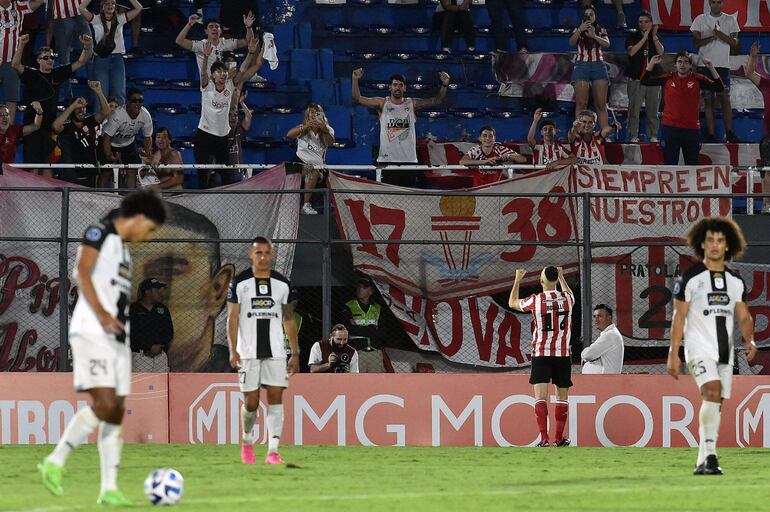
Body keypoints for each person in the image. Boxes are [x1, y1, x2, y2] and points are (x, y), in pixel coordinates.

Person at [37, 189, 165, 506]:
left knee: (115, 412)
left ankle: (109, 488)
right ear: (138, 219)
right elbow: (81, 273)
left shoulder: (122, 251)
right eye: (148, 229)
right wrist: (104, 314)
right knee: (106, 403)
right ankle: (55, 461)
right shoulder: (100, 232)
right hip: (93, 330)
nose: (146, 237)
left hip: (116, 337)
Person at [667, 216, 756, 475]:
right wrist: (674, 352)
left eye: (720, 240)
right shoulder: (691, 278)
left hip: (725, 351)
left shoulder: (735, 282)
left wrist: (750, 340)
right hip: (698, 348)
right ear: (702, 245)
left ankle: (702, 459)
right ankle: (712, 457)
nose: (715, 245)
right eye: (710, 240)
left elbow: (744, 316)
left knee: (716, 402)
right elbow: (678, 317)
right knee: (712, 390)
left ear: (728, 245)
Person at [130, 202, 234, 372]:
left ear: (218, 289)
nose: (135, 284)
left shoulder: (231, 373)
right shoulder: (134, 311)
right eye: (124, 272)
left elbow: (167, 331)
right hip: (139, 357)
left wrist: (159, 345)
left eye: (168, 270)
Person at [227, 236, 299, 465]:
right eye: (259, 253)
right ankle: (247, 441)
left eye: (267, 253)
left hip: (276, 351)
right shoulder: (239, 282)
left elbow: (288, 319)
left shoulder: (282, 284)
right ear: (251, 254)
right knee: (251, 401)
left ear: (272, 255)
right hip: (247, 351)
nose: (263, 257)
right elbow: (232, 317)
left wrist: (295, 353)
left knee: (276, 397)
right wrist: (232, 349)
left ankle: (273, 451)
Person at [509, 266, 575, 447]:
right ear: (557, 280)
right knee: (562, 397)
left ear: (541, 281)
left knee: (540, 397)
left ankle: (544, 438)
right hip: (562, 354)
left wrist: (517, 279)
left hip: (541, 353)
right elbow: (569, 292)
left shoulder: (536, 301)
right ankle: (559, 438)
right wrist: (562, 277)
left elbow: (512, 302)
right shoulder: (568, 299)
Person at [352, 68, 450, 187]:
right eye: (395, 85)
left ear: (404, 88)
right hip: (387, 161)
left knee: (406, 198)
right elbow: (358, 98)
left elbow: (436, 100)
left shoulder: (411, 103)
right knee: (387, 198)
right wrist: (355, 79)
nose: (397, 87)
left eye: (400, 85)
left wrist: (445, 84)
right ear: (390, 87)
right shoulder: (382, 103)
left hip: (408, 160)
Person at [12, 33, 92, 176]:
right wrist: (21, 45)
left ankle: (49, 198)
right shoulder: (32, 74)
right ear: (38, 61)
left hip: (50, 128)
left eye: (52, 57)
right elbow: (15, 65)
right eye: (46, 58)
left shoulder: (57, 73)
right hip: (32, 127)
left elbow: (81, 61)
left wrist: (87, 46)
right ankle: (32, 198)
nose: (50, 60)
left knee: (49, 166)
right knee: (33, 168)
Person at [195, 38, 263, 188]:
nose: (223, 74)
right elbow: (203, 74)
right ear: (213, 75)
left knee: (226, 174)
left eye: (224, 71)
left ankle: (226, 203)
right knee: (202, 173)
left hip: (222, 137)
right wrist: (206, 57)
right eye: (219, 71)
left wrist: (251, 53)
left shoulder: (230, 86)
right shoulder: (206, 86)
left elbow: (244, 69)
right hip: (205, 135)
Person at [641, 52, 724, 165]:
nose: (682, 64)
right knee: (670, 165)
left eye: (686, 62)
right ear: (675, 65)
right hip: (670, 128)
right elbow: (644, 81)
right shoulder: (668, 77)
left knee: (692, 166)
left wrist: (711, 67)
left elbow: (719, 87)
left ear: (690, 65)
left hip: (691, 130)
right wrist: (651, 63)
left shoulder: (697, 79)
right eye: (679, 61)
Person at [691, 0, 740, 143]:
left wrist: (719, 33)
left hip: (723, 66)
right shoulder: (700, 19)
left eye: (718, 2)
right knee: (708, 101)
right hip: (704, 65)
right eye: (713, 2)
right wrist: (712, 36)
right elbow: (696, 42)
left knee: (725, 100)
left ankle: (729, 133)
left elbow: (735, 43)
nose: (716, 5)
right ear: (709, 3)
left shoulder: (730, 19)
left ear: (722, 3)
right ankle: (711, 135)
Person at [78, 0, 143, 107]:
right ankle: (99, 123)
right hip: (101, 60)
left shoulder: (120, 19)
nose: (110, 6)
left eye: (113, 3)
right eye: (107, 3)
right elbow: (81, 8)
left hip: (117, 59)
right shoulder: (96, 19)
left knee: (119, 95)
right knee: (101, 95)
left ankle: (119, 122)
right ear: (102, 6)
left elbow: (138, 8)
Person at [52, 80, 111, 186]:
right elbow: (55, 126)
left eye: (84, 107)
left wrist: (98, 92)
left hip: (90, 172)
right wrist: (72, 106)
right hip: (71, 174)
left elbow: (106, 112)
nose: (82, 110)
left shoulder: (90, 121)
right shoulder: (66, 127)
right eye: (78, 108)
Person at [0, 0, 45, 124]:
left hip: (12, 63)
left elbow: (38, 2)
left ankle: (8, 136)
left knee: (12, 99)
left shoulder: (19, 6)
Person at [339, 275, 394, 373]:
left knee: (376, 384)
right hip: (357, 351)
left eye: (364, 287)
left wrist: (360, 328)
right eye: (359, 287)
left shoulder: (377, 308)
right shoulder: (349, 306)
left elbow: (383, 333)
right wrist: (372, 329)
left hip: (375, 352)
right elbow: (349, 329)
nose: (360, 289)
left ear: (371, 291)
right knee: (356, 383)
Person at [287, 103, 335, 215]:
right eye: (311, 112)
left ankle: (331, 206)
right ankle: (306, 205)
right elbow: (289, 134)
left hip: (319, 165)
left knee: (320, 172)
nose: (314, 115)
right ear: (307, 115)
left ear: (322, 115)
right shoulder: (302, 128)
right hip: (300, 163)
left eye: (317, 112)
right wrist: (306, 126)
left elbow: (330, 142)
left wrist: (324, 130)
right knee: (313, 172)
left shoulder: (328, 129)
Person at [100, 87, 154, 187]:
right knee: (106, 170)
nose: (137, 103)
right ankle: (98, 196)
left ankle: (131, 197)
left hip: (128, 143)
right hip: (110, 143)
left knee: (132, 169)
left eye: (140, 101)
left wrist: (148, 153)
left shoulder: (145, 115)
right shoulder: (118, 115)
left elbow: (147, 137)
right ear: (127, 102)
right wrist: (108, 155)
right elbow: (107, 138)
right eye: (134, 100)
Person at [569, 6, 610, 131]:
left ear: (595, 16)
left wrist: (594, 36)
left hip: (598, 65)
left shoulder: (601, 29)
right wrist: (579, 30)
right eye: (586, 15)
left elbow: (607, 44)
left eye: (591, 14)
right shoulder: (578, 29)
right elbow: (571, 42)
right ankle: (579, 134)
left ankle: (604, 135)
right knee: (581, 104)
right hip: (582, 65)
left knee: (601, 104)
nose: (589, 17)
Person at [625, 11, 663, 143]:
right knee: (634, 110)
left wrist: (653, 36)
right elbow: (631, 52)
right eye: (640, 22)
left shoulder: (655, 37)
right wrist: (644, 38)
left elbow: (661, 52)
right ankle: (633, 135)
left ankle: (653, 135)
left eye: (646, 22)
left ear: (651, 23)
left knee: (653, 110)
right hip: (636, 78)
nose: (643, 24)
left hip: (653, 78)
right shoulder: (633, 36)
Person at [175, 13, 255, 75]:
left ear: (221, 31)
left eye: (217, 27)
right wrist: (189, 24)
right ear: (206, 31)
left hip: (226, 86)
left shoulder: (227, 43)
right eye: (211, 27)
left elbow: (248, 41)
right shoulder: (200, 45)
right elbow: (179, 41)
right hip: (208, 88)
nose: (214, 29)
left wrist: (249, 27)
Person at [744, 42, 770, 214]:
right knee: (768, 172)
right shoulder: (767, 83)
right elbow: (749, 74)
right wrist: (753, 57)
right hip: (769, 137)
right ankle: (767, 204)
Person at [48, 0, 90, 100]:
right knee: (64, 61)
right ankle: (68, 98)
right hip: (60, 15)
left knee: (89, 54)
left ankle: (94, 92)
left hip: (80, 12)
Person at [129, 277, 173, 373]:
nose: (159, 292)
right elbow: (130, 333)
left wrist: (160, 346)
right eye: (156, 289)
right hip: (140, 355)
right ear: (147, 292)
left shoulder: (162, 309)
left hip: (160, 355)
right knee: (141, 384)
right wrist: (148, 347)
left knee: (162, 384)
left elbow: (169, 331)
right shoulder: (133, 309)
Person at [459, 125, 526, 186]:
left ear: (494, 138)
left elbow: (523, 159)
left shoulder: (500, 149)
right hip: (478, 191)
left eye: (491, 136)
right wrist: (485, 162)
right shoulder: (476, 150)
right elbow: (462, 161)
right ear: (480, 138)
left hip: (496, 190)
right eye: (485, 136)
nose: (488, 138)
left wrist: (509, 156)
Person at [550, 109, 617, 168]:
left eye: (590, 122)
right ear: (579, 123)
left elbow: (606, 130)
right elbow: (571, 134)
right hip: (580, 179)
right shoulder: (576, 138)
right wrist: (574, 127)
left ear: (595, 124)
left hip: (597, 179)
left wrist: (614, 126)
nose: (587, 125)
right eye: (584, 122)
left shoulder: (598, 137)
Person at [581, 304, 624, 374]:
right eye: (594, 316)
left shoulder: (610, 335)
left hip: (605, 382)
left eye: (599, 316)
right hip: (602, 381)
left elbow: (587, 355)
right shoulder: (609, 333)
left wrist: (584, 353)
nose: (596, 320)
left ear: (609, 318)